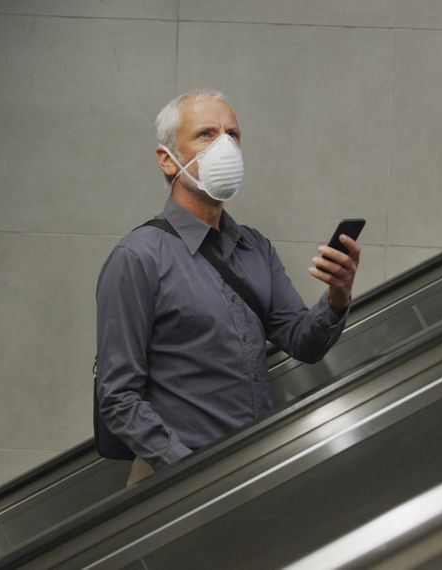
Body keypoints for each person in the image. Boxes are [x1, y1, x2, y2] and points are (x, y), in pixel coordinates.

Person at [96, 89, 362, 487]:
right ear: (168, 160)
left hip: (254, 469)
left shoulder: (255, 247)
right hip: (174, 479)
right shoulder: (138, 257)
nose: (225, 146)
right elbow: (118, 397)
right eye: (206, 134)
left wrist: (337, 297)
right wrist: (191, 471)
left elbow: (303, 343)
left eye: (233, 135)